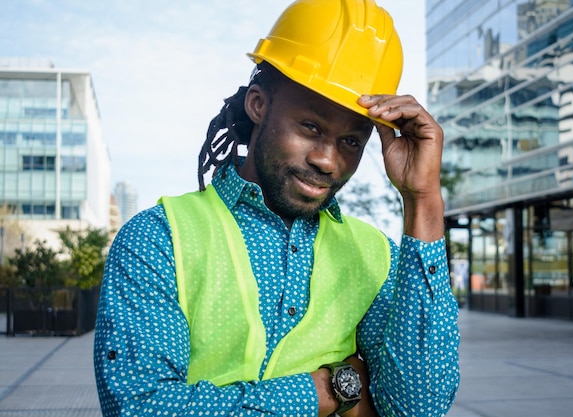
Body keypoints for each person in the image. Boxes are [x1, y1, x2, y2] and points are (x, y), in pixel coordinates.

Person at [93, 0, 460, 416]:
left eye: (351, 141)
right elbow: (142, 407)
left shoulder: (374, 256)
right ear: (258, 104)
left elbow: (418, 407)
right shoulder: (160, 239)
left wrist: (422, 198)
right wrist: (326, 393)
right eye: (311, 126)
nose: (327, 159)